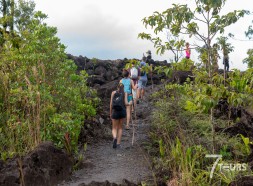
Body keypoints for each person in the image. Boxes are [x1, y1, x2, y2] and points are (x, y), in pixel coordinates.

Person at [110, 83, 129, 149]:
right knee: (120, 128)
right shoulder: (125, 93)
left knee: (114, 128)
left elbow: (111, 104)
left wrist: (110, 113)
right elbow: (126, 103)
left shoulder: (113, 93)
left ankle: (114, 137)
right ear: (123, 88)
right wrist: (130, 103)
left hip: (115, 112)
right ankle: (118, 144)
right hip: (122, 111)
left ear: (117, 87)